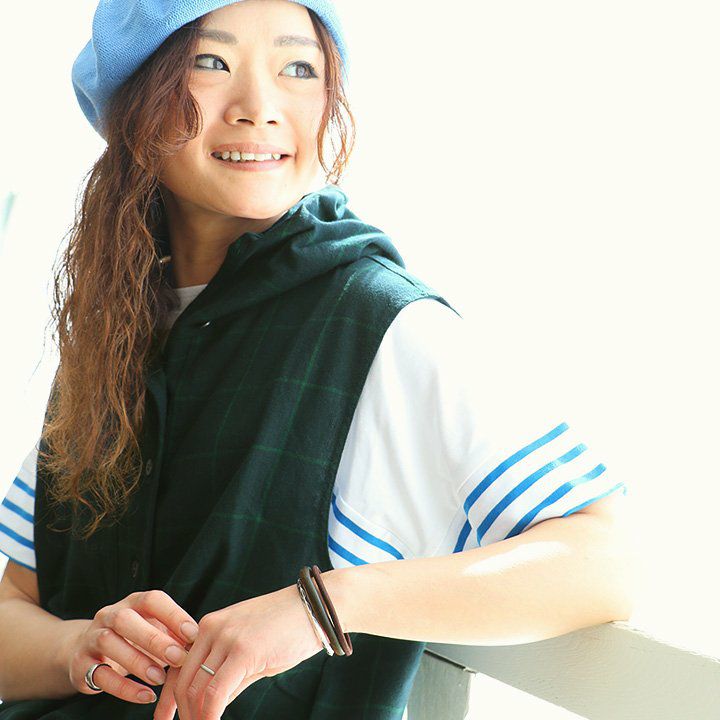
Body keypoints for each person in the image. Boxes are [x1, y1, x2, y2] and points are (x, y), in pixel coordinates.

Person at [0, 0, 632, 717]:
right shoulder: (115, 328)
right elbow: (14, 601)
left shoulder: (380, 321)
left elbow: (604, 561)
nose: (259, 106)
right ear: (133, 103)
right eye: (211, 61)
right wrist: (80, 647)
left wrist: (321, 606)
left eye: (298, 68)